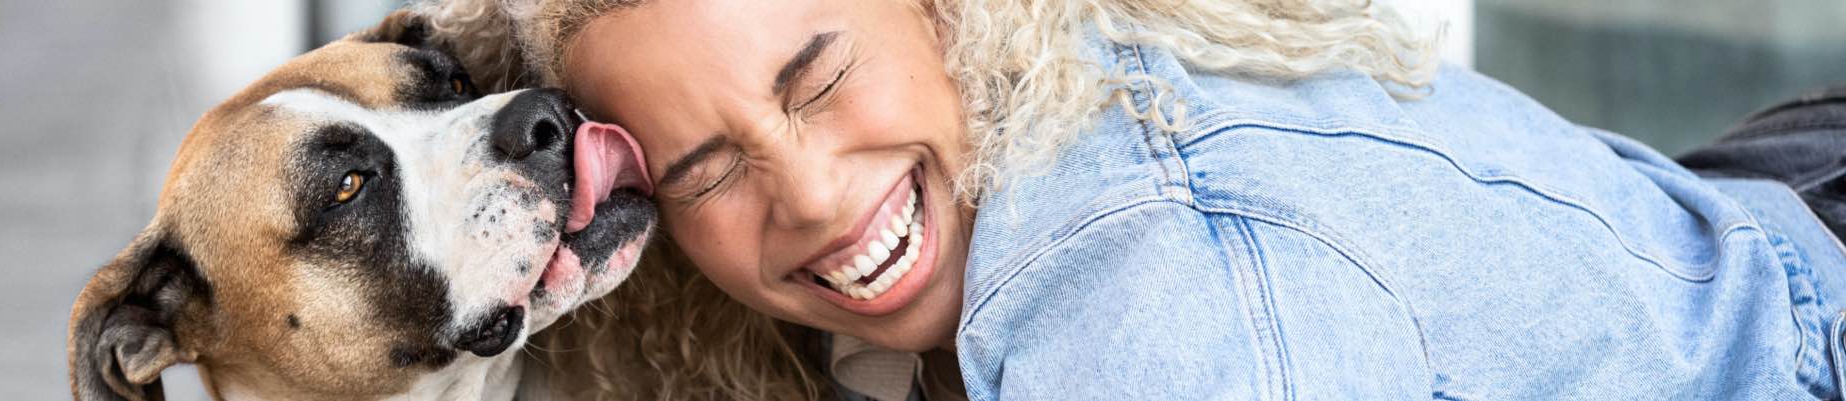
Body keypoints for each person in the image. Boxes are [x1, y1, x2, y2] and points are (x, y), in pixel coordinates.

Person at [423, 0, 1846, 399]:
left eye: (818, 79)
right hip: (1715, 214)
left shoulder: (1160, 301)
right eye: (709, 171)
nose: (805, 194)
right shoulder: (1004, 120)